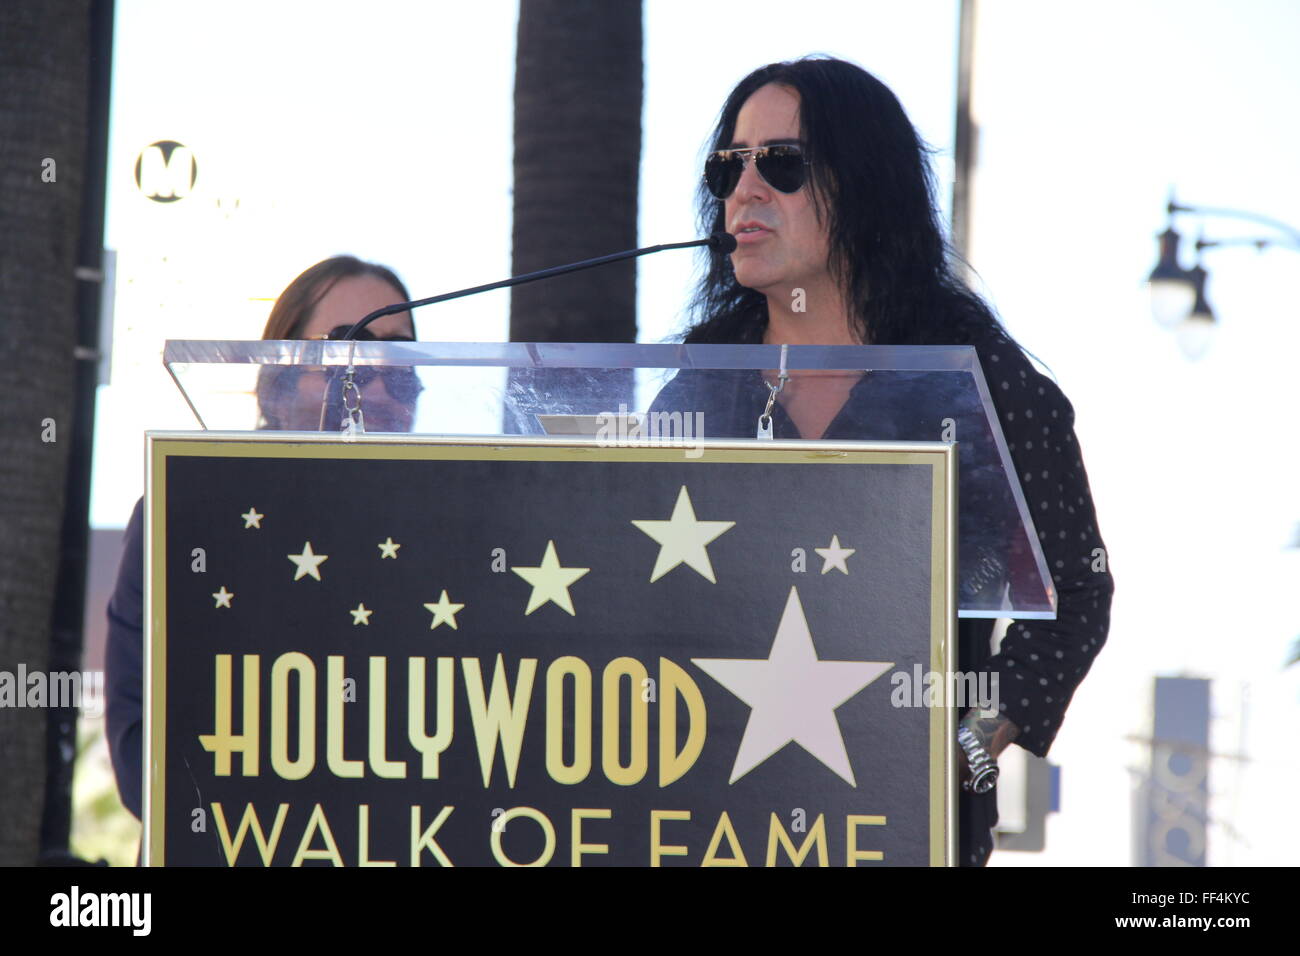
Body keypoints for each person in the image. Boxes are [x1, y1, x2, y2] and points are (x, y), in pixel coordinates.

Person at [650, 56, 1114, 866]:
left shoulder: (980, 378)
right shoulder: (702, 379)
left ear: (864, 186)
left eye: (781, 164)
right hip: (710, 821)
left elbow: (1077, 590)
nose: (744, 191)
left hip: (895, 830)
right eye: (729, 166)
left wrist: (967, 751)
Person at [105, 255, 420, 822]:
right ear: (277, 380)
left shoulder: (445, 535)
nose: (376, 381)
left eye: (397, 356)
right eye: (347, 349)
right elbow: (141, 767)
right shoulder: (184, 518)